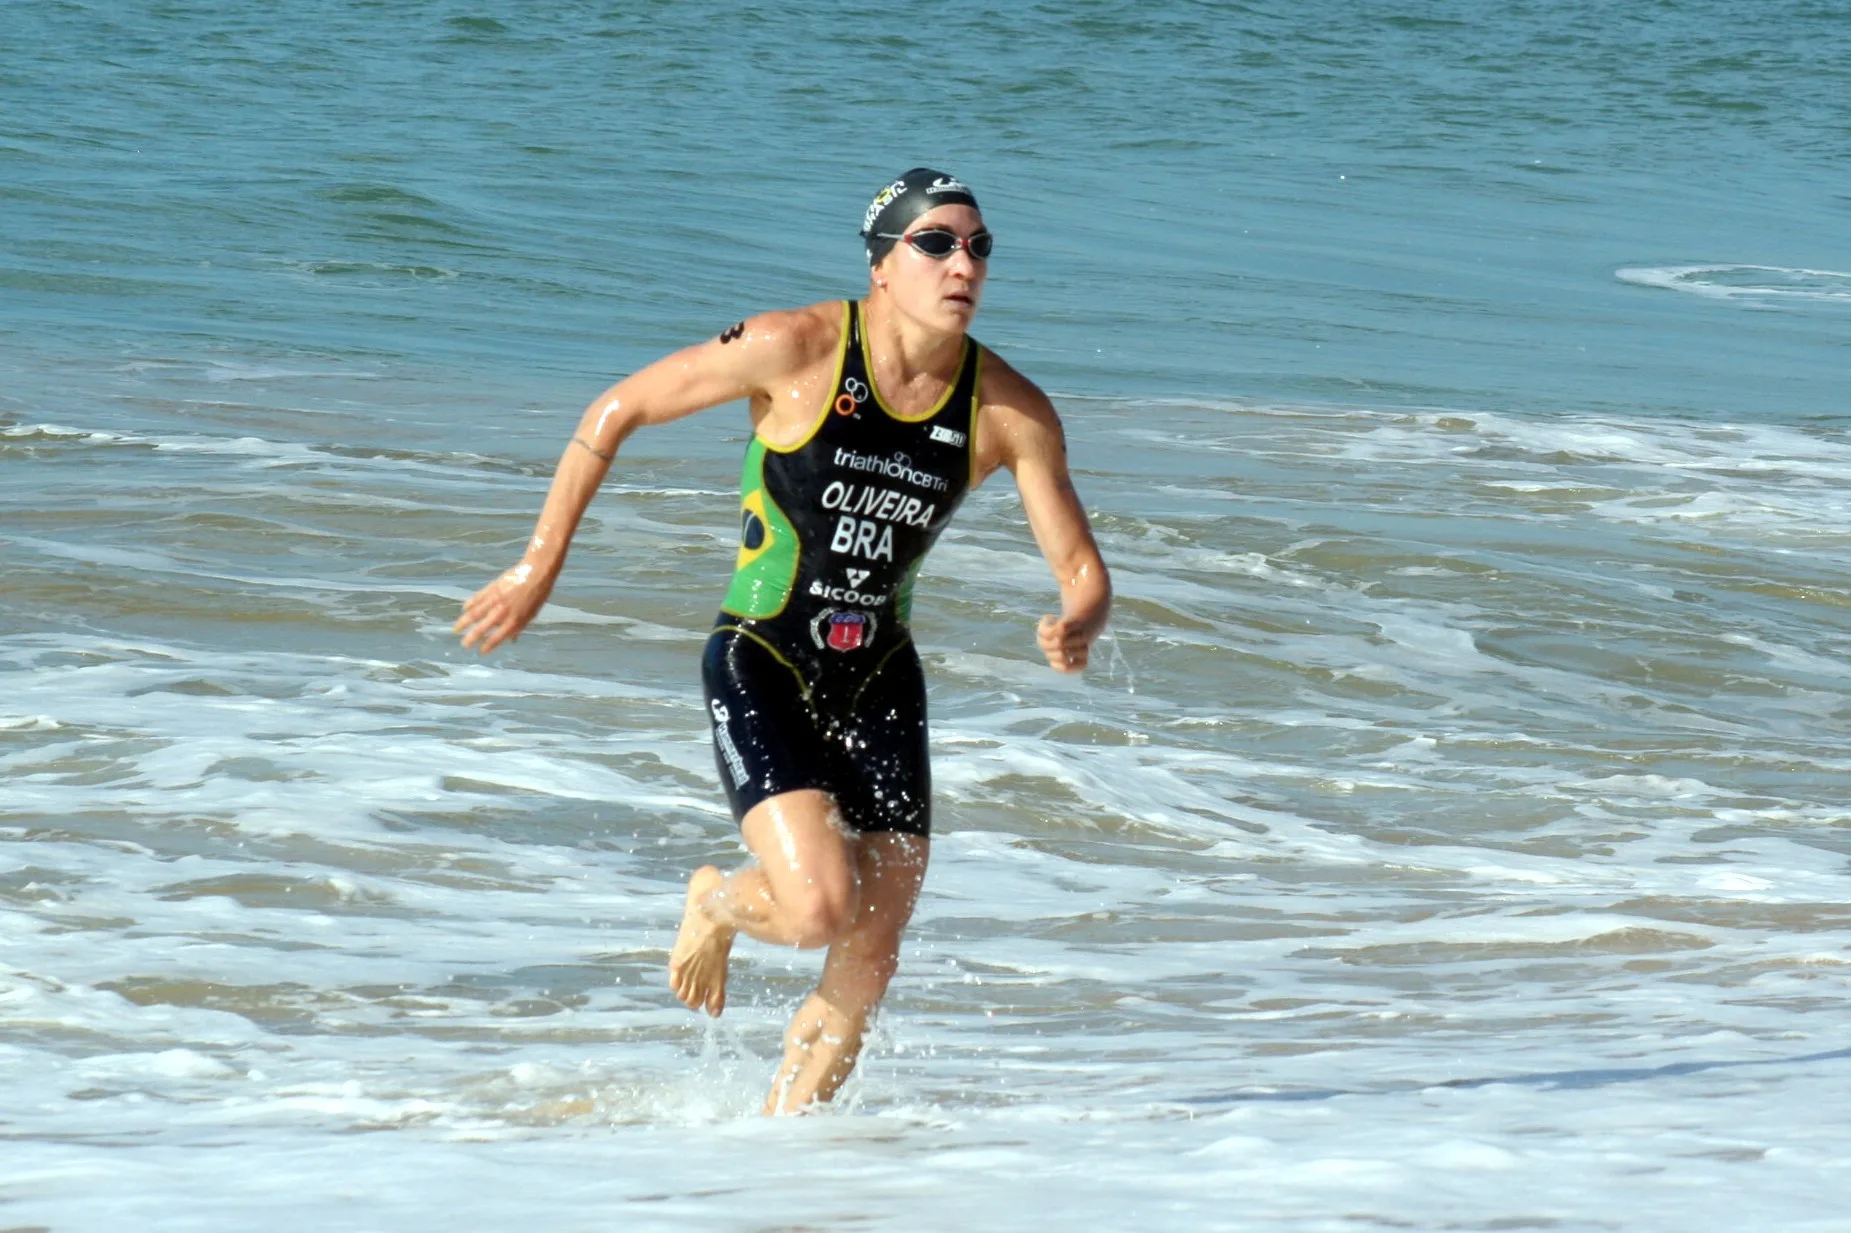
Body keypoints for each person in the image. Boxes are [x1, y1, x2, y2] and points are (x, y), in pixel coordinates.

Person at [455, 168, 1111, 1114]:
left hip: (881, 675)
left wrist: (1079, 615)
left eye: (977, 246)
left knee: (869, 956)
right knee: (814, 909)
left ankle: (783, 1167)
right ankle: (717, 900)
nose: (961, 262)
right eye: (935, 243)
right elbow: (616, 410)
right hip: (764, 656)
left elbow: (1080, 566)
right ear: (882, 264)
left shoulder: (1008, 408)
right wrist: (536, 565)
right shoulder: (792, 345)